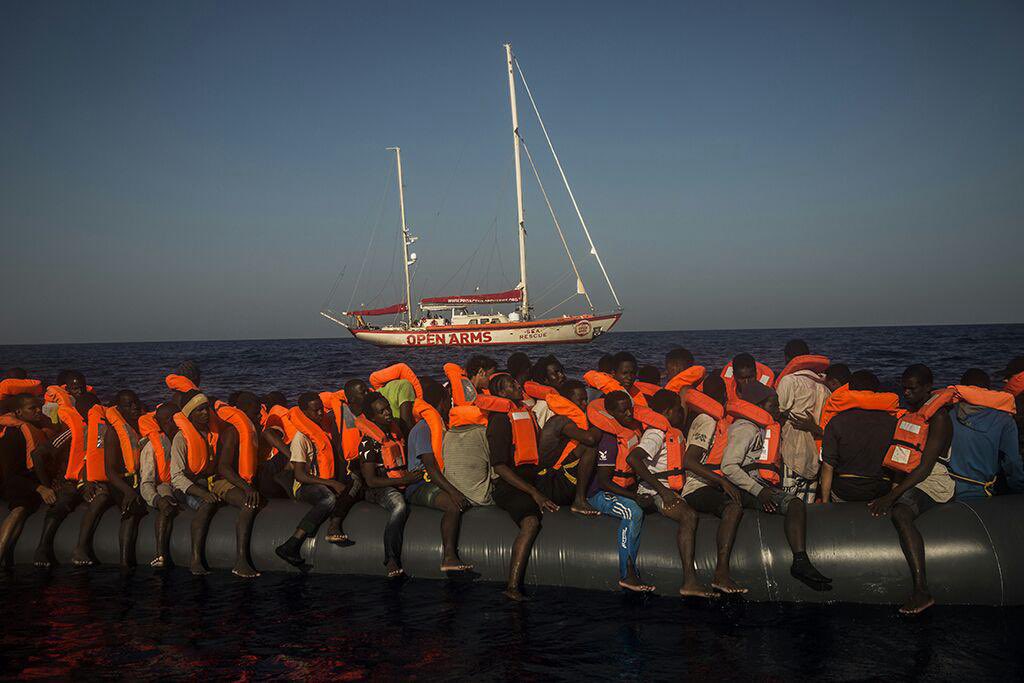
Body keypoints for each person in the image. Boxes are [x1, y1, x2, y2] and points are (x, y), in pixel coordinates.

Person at [720, 380, 832, 590]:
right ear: (759, 406)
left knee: (795, 503)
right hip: (744, 489)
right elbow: (728, 466)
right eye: (773, 405)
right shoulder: (745, 429)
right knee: (795, 504)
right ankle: (800, 560)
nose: (778, 410)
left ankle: (800, 559)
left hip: (755, 484)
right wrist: (759, 491)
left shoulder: (758, 427)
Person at [868, 363, 956, 615]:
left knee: (901, 513)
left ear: (928, 388)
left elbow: (925, 468)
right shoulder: (912, 413)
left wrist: (892, 496)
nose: (906, 393)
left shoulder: (939, 419)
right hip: (912, 477)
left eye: (913, 388)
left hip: (934, 481)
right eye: (904, 388)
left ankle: (921, 590)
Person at [626, 389, 716, 598]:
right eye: (678, 410)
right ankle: (689, 581)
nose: (682, 414)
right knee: (689, 516)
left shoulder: (672, 431)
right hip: (654, 490)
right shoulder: (656, 433)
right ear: (667, 412)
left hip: (670, 488)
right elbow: (633, 459)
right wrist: (663, 491)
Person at [486, 373, 559, 600]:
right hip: (509, 485)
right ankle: (512, 587)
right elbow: (499, 467)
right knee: (530, 523)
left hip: (531, 478)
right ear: (501, 393)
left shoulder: (525, 412)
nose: (519, 386)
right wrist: (534, 493)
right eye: (512, 385)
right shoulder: (500, 420)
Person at [678, 375, 748, 594]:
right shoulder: (707, 420)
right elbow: (689, 461)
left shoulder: (717, 421)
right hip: (696, 487)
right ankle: (721, 573)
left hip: (713, 484)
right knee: (733, 507)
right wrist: (721, 482)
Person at [403, 378, 473, 572]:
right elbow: (431, 468)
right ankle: (449, 557)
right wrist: (454, 493)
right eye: (448, 399)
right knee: (453, 505)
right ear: (441, 401)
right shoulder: (425, 428)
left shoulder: (437, 425)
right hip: (418, 487)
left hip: (433, 481)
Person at [586, 390, 653, 592]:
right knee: (633, 512)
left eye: (630, 410)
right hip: (599, 493)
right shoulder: (609, 439)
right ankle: (627, 573)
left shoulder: (632, 431)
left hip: (624, 488)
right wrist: (634, 497)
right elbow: (605, 482)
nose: (629, 415)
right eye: (623, 412)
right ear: (611, 413)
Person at [275, 393, 351, 567]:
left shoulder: (324, 430)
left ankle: (335, 525)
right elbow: (300, 475)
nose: (320, 414)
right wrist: (332, 483)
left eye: (321, 409)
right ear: (304, 413)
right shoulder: (300, 439)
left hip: (322, 481)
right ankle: (292, 543)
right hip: (304, 486)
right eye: (315, 411)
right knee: (329, 498)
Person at [356, 392, 423, 578]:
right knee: (399, 505)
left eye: (387, 408)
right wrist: (403, 480)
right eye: (381, 411)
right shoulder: (369, 442)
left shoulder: (395, 431)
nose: (388, 413)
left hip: (401, 480)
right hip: (378, 488)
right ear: (371, 417)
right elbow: (370, 481)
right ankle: (391, 558)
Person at [30, 392, 96, 567]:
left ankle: (81, 547)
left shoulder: (103, 431)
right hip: (71, 482)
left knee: (100, 501)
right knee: (61, 504)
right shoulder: (71, 432)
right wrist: (46, 487)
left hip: (94, 481)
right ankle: (43, 547)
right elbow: (38, 454)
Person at [87, 390, 147, 567]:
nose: (134, 407)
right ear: (119, 409)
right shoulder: (113, 433)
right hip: (120, 482)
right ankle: (124, 561)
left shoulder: (142, 426)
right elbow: (110, 471)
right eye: (129, 405)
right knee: (130, 511)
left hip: (140, 478)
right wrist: (127, 491)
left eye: (135, 402)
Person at [819, 371, 898, 503]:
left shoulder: (837, 422)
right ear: (877, 391)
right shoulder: (894, 423)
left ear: (850, 390)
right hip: (881, 488)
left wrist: (825, 503)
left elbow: (828, 465)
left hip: (846, 490)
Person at [211, 392, 265, 578]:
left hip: (241, 482)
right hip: (223, 482)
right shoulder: (232, 432)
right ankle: (240, 560)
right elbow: (224, 467)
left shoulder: (251, 431)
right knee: (248, 503)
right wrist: (247, 488)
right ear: (243, 411)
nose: (259, 417)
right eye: (255, 413)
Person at [945, 369, 1022, 499]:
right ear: (988, 390)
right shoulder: (1005, 420)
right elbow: (1012, 463)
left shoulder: (947, 414)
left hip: (945, 490)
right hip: (979, 494)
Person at [169, 390, 221, 575]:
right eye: (199, 410)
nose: (205, 413)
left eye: (206, 409)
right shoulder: (181, 439)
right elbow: (176, 476)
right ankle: (195, 560)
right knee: (205, 505)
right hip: (185, 487)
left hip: (206, 482)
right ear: (190, 414)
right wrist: (203, 494)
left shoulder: (212, 433)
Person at [774, 340, 831, 502]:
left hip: (791, 454)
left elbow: (777, 412)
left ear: (787, 359)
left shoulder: (789, 381)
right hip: (814, 458)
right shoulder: (824, 388)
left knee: (788, 505)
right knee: (808, 508)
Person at [534, 380, 601, 515]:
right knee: (589, 448)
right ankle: (579, 501)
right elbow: (590, 438)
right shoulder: (561, 421)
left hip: (553, 478)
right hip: (549, 484)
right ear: (567, 401)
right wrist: (600, 424)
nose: (585, 404)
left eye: (586, 399)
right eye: (580, 400)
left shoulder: (565, 419)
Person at [0, 395, 47, 566]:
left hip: (27, 480)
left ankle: (8, 560)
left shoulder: (36, 428)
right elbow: (10, 475)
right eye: (32, 408)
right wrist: (39, 488)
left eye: (39, 407)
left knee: (26, 507)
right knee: (20, 508)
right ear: (19, 412)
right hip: (12, 482)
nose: (38, 411)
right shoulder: (13, 435)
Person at [138, 403, 180, 567]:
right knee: (166, 503)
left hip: (183, 482)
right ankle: (160, 553)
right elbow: (146, 482)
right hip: (165, 485)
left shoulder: (183, 438)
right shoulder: (152, 447)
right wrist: (156, 500)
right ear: (171, 420)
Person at [524, 355, 565, 428]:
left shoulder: (565, 397)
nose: (561, 375)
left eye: (561, 371)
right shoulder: (544, 406)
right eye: (556, 373)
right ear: (545, 379)